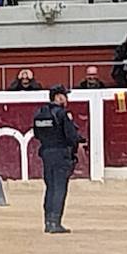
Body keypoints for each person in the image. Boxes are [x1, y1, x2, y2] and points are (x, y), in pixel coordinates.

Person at [32, 85, 84, 234]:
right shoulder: (61, 114)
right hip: (61, 154)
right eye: (64, 96)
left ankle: (48, 221)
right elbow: (71, 136)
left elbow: (37, 135)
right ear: (58, 97)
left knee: (50, 187)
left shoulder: (40, 113)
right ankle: (55, 222)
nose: (66, 100)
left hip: (47, 153)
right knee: (59, 188)